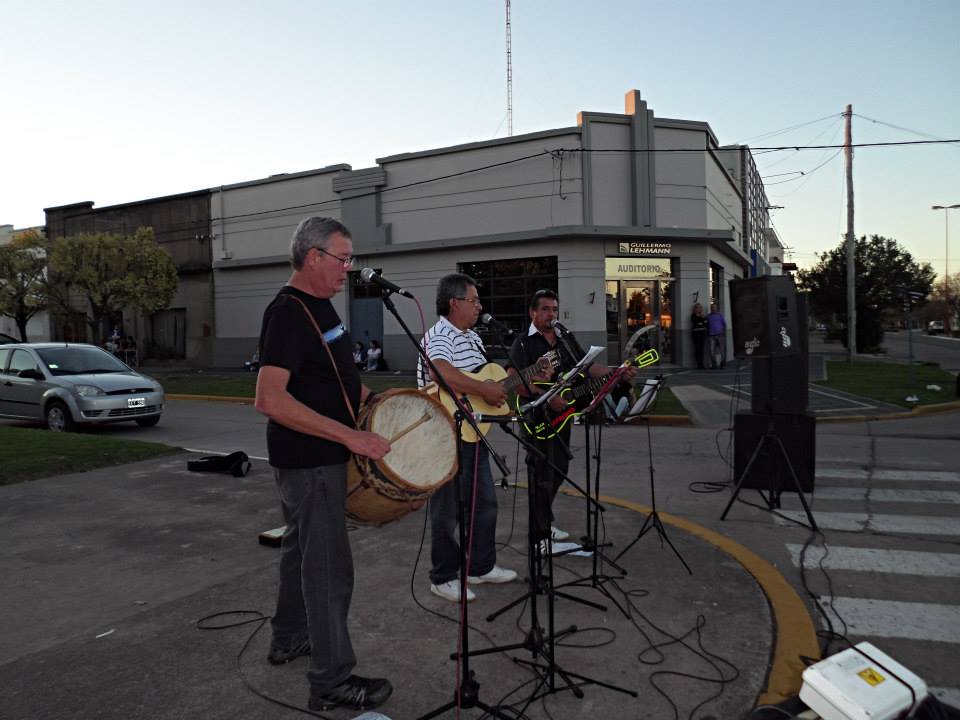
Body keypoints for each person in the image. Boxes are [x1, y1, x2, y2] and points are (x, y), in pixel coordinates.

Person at [254, 216, 393, 713]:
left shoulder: (321, 308)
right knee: (329, 568)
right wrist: (350, 435)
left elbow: (338, 376)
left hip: (318, 457)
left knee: (300, 552)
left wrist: (378, 406)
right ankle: (331, 682)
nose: (349, 270)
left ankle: (288, 637)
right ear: (314, 257)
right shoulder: (289, 313)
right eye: (343, 258)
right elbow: (269, 399)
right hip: (310, 461)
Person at [508, 289, 636, 548]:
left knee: (559, 468)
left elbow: (585, 367)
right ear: (533, 313)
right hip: (535, 416)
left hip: (562, 416)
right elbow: (514, 380)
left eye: (554, 309)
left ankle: (544, 522)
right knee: (541, 474)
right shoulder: (523, 342)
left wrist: (616, 372)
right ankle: (539, 536)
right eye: (545, 309)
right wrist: (544, 395)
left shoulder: (564, 339)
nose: (551, 314)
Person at [417, 273, 517, 602]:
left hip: (472, 431)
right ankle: (443, 576)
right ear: (454, 303)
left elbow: (487, 379)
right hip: (445, 431)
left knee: (484, 504)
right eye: (473, 300)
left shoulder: (472, 337)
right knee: (447, 510)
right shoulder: (439, 334)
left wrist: (522, 377)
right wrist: (483, 389)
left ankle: (480, 566)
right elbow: (439, 371)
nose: (479, 306)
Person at [706, 303, 727, 369]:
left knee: (722, 351)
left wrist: (723, 333)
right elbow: (706, 325)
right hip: (711, 336)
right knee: (712, 351)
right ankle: (714, 364)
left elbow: (724, 324)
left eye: (714, 307)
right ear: (710, 308)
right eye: (712, 307)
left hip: (720, 335)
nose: (713, 308)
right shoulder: (708, 316)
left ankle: (722, 364)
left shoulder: (720, 315)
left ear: (717, 308)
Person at [691, 302, 707, 370]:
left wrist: (701, 322)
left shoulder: (703, 316)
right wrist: (701, 323)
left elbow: (706, 323)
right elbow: (695, 322)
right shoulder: (693, 315)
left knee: (702, 349)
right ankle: (698, 364)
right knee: (697, 349)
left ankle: (702, 364)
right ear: (695, 309)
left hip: (702, 334)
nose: (699, 309)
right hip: (696, 334)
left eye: (700, 308)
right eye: (697, 307)